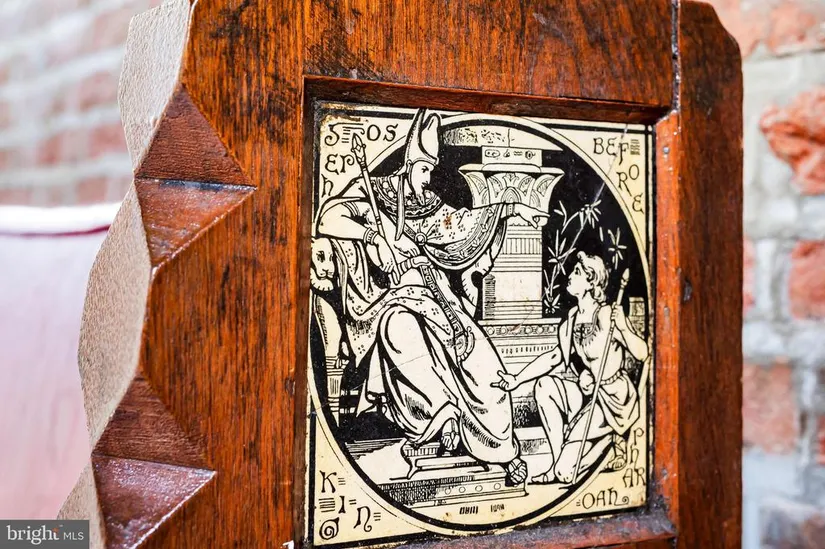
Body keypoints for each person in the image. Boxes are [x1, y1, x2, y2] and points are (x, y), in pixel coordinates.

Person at [314, 109, 549, 485]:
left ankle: (504, 451)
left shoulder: (427, 205)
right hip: (393, 300)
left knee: (484, 366)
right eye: (424, 170)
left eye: (431, 170)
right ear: (409, 164)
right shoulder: (373, 195)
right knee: (403, 334)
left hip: (439, 297)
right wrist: (374, 238)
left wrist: (512, 208)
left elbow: (465, 223)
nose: (428, 179)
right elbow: (328, 218)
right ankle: (444, 419)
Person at [492, 252, 648, 484]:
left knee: (567, 474)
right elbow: (554, 357)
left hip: (613, 399)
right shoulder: (571, 320)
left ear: (591, 282)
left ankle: (610, 447)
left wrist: (623, 328)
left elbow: (643, 353)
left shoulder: (606, 314)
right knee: (545, 386)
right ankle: (557, 463)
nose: (570, 276)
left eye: (577, 272)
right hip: (588, 396)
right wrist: (517, 378)